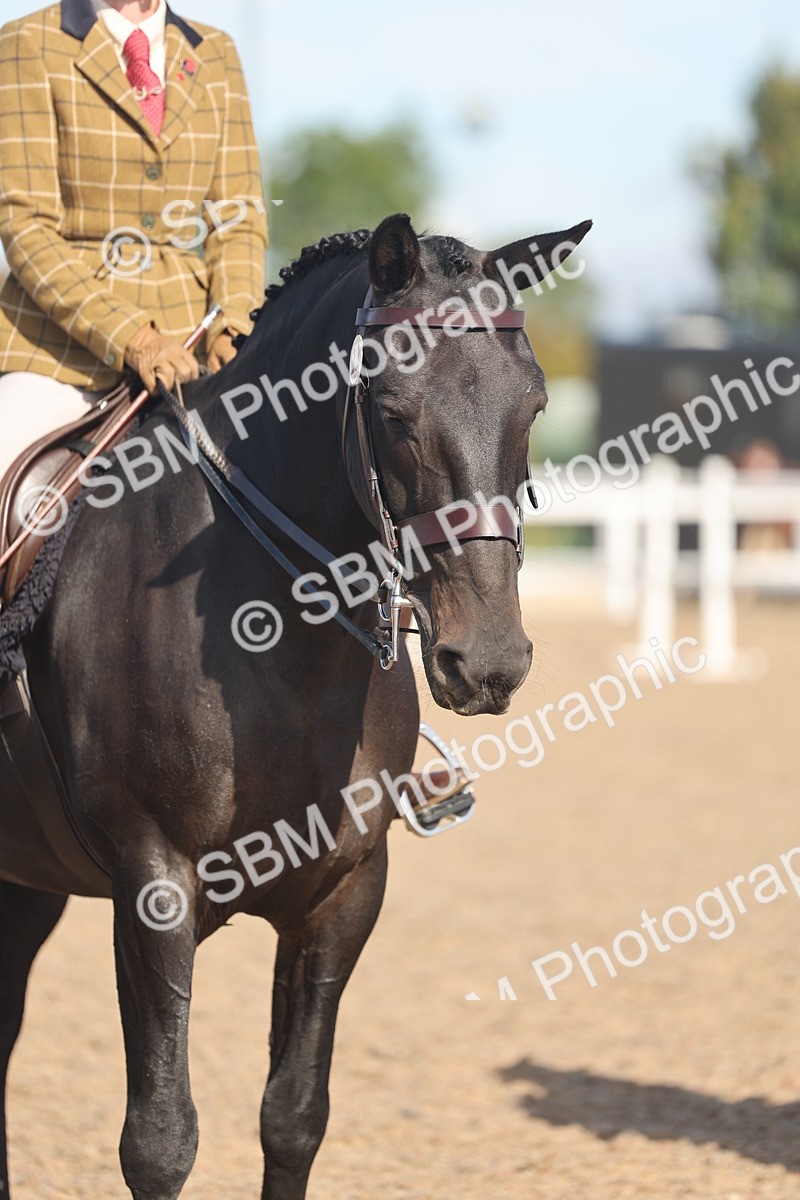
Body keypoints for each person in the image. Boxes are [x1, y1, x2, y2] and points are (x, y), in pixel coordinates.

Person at [0, 0, 268, 481]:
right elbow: (26, 227)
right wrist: (133, 338)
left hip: (193, 349)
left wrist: (233, 324)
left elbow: (238, 219)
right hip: (57, 352)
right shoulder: (27, 43)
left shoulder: (217, 54)